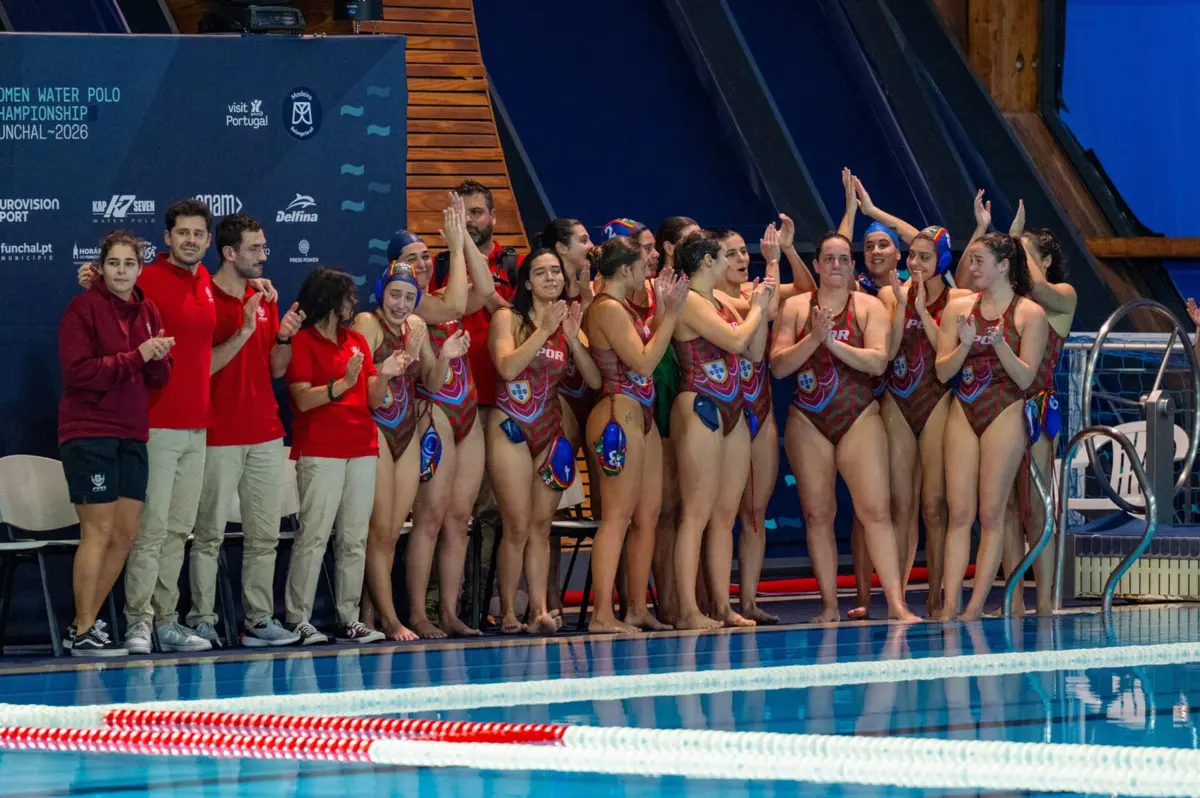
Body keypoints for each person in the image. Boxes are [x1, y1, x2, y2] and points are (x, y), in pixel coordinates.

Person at [770, 232, 919, 624]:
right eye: (828, 259)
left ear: (852, 268)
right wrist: (813, 338)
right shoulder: (796, 308)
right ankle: (830, 606)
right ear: (816, 265)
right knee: (818, 515)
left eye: (842, 260)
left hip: (859, 415)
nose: (836, 265)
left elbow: (877, 363)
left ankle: (897, 604)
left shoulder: (869, 306)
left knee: (876, 512)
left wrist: (829, 344)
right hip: (808, 419)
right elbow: (779, 365)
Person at [183, 215, 303, 649]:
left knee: (264, 535)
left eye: (264, 248)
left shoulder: (266, 297)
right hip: (216, 432)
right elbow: (201, 369)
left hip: (267, 432)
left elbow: (275, 369)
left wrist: (285, 337)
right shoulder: (203, 295)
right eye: (255, 249)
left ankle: (258, 619)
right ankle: (201, 619)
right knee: (208, 535)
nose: (263, 256)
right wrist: (244, 328)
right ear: (229, 253)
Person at [57, 230, 174, 656]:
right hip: (89, 430)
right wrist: (138, 356)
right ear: (101, 268)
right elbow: (79, 373)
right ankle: (86, 626)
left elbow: (157, 377)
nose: (122, 271)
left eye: (129, 264)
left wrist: (159, 359)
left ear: (140, 268)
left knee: (125, 534)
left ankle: (80, 625)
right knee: (99, 529)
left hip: (131, 432)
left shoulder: (148, 311)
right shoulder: (82, 308)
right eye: (114, 263)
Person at [390, 196, 490, 638]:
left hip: (467, 412)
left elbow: (485, 292)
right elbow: (453, 309)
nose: (423, 264)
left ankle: (450, 611)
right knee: (429, 518)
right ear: (396, 268)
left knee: (459, 518)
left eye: (427, 256)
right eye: (412, 259)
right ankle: (418, 612)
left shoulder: (440, 297)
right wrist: (455, 239)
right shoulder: (414, 307)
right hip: (435, 413)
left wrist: (464, 240)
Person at [935, 232, 1048, 621]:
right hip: (963, 407)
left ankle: (975, 606)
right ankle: (950, 605)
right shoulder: (958, 309)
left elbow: (1026, 379)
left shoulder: (1029, 314)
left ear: (1003, 266)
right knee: (959, 511)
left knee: (991, 512)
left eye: (980, 261)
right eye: (970, 260)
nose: (972, 267)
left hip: (1005, 408)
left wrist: (1000, 344)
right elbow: (942, 370)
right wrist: (965, 344)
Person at [284, 267, 400, 644]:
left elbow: (373, 397)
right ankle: (297, 618)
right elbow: (302, 399)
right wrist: (340, 385)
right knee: (314, 536)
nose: (354, 304)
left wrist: (385, 374)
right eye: (348, 297)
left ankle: (348, 617)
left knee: (353, 538)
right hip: (321, 448)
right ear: (330, 300)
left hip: (361, 446)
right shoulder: (302, 342)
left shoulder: (356, 341)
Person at [488, 249, 601, 634]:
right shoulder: (508, 317)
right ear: (527, 282)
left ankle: (538, 610)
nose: (551, 278)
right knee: (516, 525)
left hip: (549, 430)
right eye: (541, 272)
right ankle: (507, 612)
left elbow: (594, 380)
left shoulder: (566, 320)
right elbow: (507, 367)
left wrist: (572, 336)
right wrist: (543, 330)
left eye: (556, 271)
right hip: (512, 427)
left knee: (540, 526)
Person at [354, 258, 467, 641]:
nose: (400, 304)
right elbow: (367, 398)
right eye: (394, 295)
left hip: (406, 431)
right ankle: (389, 619)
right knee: (380, 532)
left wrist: (446, 356)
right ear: (380, 292)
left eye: (408, 297)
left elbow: (432, 382)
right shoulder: (367, 325)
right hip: (377, 428)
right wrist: (387, 371)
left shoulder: (417, 325)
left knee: (389, 534)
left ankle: (371, 614)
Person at [583, 236, 689, 633]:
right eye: (643, 265)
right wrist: (673, 316)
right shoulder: (608, 308)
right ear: (625, 270)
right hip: (617, 413)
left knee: (646, 516)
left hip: (640, 415)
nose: (647, 272)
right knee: (617, 517)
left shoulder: (625, 306)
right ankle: (601, 614)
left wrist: (663, 310)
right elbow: (644, 364)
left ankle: (636, 608)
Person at [712, 223, 815, 624]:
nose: (742, 259)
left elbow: (805, 291)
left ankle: (749, 600)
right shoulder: (714, 298)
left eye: (744, 252)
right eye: (732, 253)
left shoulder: (755, 293)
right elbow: (765, 311)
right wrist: (770, 268)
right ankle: (716, 600)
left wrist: (787, 253)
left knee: (755, 511)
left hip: (760, 406)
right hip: (722, 412)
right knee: (718, 512)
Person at [670, 230, 773, 630]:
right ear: (707, 262)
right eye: (723, 256)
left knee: (725, 514)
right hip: (701, 403)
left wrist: (758, 312)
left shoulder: (721, 302)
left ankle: (723, 605)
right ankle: (688, 609)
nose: (731, 262)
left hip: (733, 407)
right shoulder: (691, 301)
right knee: (695, 513)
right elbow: (734, 339)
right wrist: (756, 311)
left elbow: (754, 350)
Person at [877, 226, 970, 616]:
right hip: (898, 399)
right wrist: (902, 308)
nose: (914, 264)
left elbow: (943, 357)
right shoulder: (887, 295)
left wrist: (920, 311)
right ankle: (897, 599)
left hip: (936, 400)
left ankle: (936, 595)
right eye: (911, 256)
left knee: (934, 507)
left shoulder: (958, 300)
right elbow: (888, 352)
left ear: (941, 262)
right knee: (900, 505)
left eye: (925, 258)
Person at [839, 171, 911, 618]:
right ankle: (866, 596)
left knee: (905, 504)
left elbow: (924, 238)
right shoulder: (857, 289)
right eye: (869, 246)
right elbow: (836, 255)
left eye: (883, 244)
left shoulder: (911, 282)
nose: (876, 251)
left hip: (908, 399)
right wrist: (850, 215)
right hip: (871, 400)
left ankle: (897, 592)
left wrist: (874, 213)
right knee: (868, 508)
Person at [1003, 204, 1076, 615]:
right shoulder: (1012, 302)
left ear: (1044, 261)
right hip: (1002, 407)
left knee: (1037, 508)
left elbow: (1037, 286)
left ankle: (1046, 600)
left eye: (1024, 254)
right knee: (1007, 509)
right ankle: (1013, 598)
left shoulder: (1062, 299)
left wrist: (1015, 241)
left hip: (1037, 413)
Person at [647, 216, 700, 624]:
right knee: (666, 509)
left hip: (689, 393)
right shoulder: (650, 288)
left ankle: (692, 600)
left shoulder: (702, 287)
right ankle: (669, 602)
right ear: (669, 248)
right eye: (691, 240)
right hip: (659, 393)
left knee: (690, 507)